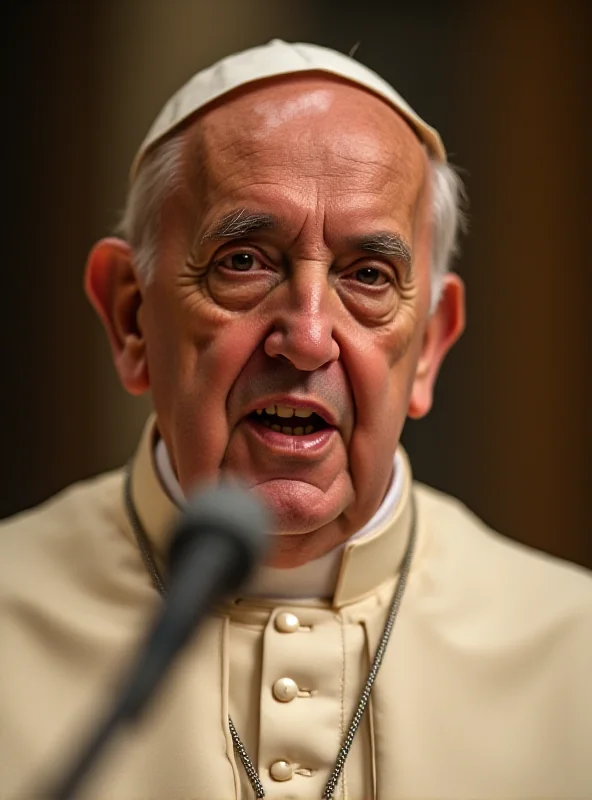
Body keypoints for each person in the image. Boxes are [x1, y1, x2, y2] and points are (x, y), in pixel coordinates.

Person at [1, 39, 591, 800]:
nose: (308, 336)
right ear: (131, 318)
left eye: (369, 276)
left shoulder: (575, 652)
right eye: (243, 261)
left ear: (431, 347)